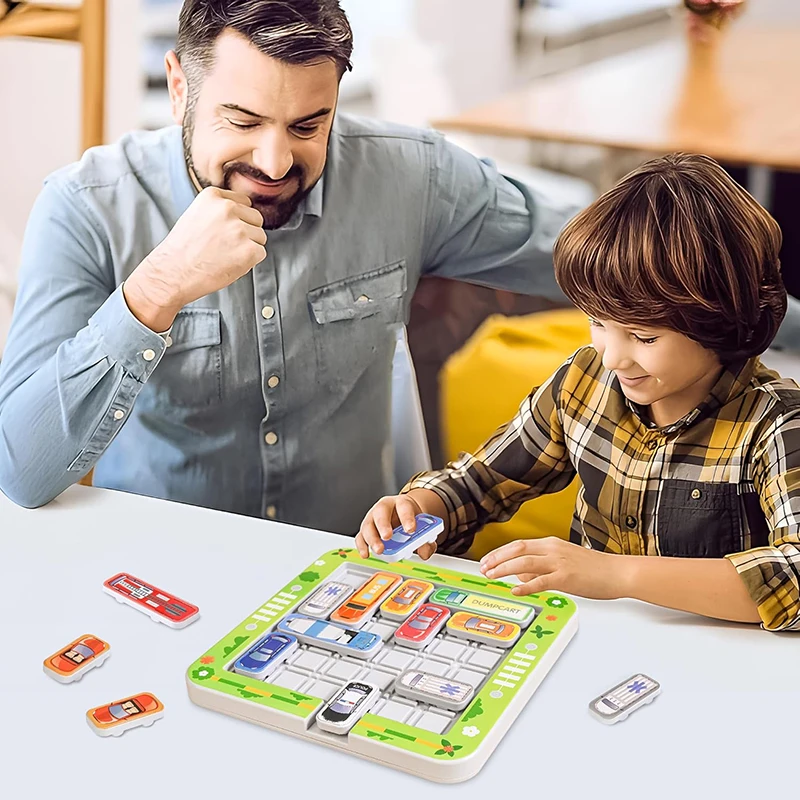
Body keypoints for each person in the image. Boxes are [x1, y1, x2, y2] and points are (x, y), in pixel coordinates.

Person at [0, 0, 583, 534]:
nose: (276, 163)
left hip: (355, 575)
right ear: (180, 88)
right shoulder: (87, 207)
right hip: (163, 574)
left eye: (308, 126)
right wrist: (158, 288)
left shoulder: (412, 175)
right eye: (243, 121)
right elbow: (21, 470)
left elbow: (610, 251)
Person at [357, 153, 800, 632]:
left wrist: (617, 575)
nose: (612, 357)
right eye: (598, 323)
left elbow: (794, 577)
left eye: (644, 338)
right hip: (593, 643)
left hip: (719, 666)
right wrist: (423, 506)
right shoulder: (585, 381)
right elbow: (482, 482)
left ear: (723, 321)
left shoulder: (776, 423)